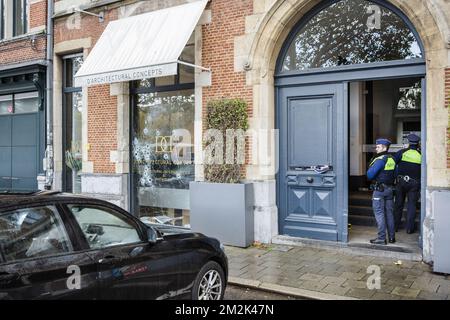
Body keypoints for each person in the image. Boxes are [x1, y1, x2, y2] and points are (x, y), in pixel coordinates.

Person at [366, 138, 396, 245]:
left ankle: (381, 238)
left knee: (379, 213)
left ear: (384, 147)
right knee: (389, 213)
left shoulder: (380, 159)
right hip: (390, 189)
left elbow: (369, 175)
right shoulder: (392, 158)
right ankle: (392, 237)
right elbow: (395, 174)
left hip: (379, 190)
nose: (376, 148)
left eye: (378, 147)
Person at [393, 133, 421, 234]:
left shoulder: (402, 152)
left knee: (398, 205)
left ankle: (395, 226)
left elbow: (393, 164)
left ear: (409, 142)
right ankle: (409, 229)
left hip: (401, 182)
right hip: (414, 184)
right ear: (418, 143)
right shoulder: (420, 155)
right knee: (412, 205)